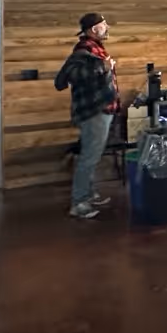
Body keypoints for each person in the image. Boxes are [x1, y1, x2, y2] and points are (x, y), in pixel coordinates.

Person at [54, 12, 119, 219]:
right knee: (89, 158)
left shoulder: (96, 48)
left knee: (91, 155)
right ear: (93, 30)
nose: (107, 27)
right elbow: (65, 78)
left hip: (101, 111)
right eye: (103, 25)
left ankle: (89, 194)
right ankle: (79, 202)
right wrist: (102, 67)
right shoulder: (83, 50)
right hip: (94, 112)